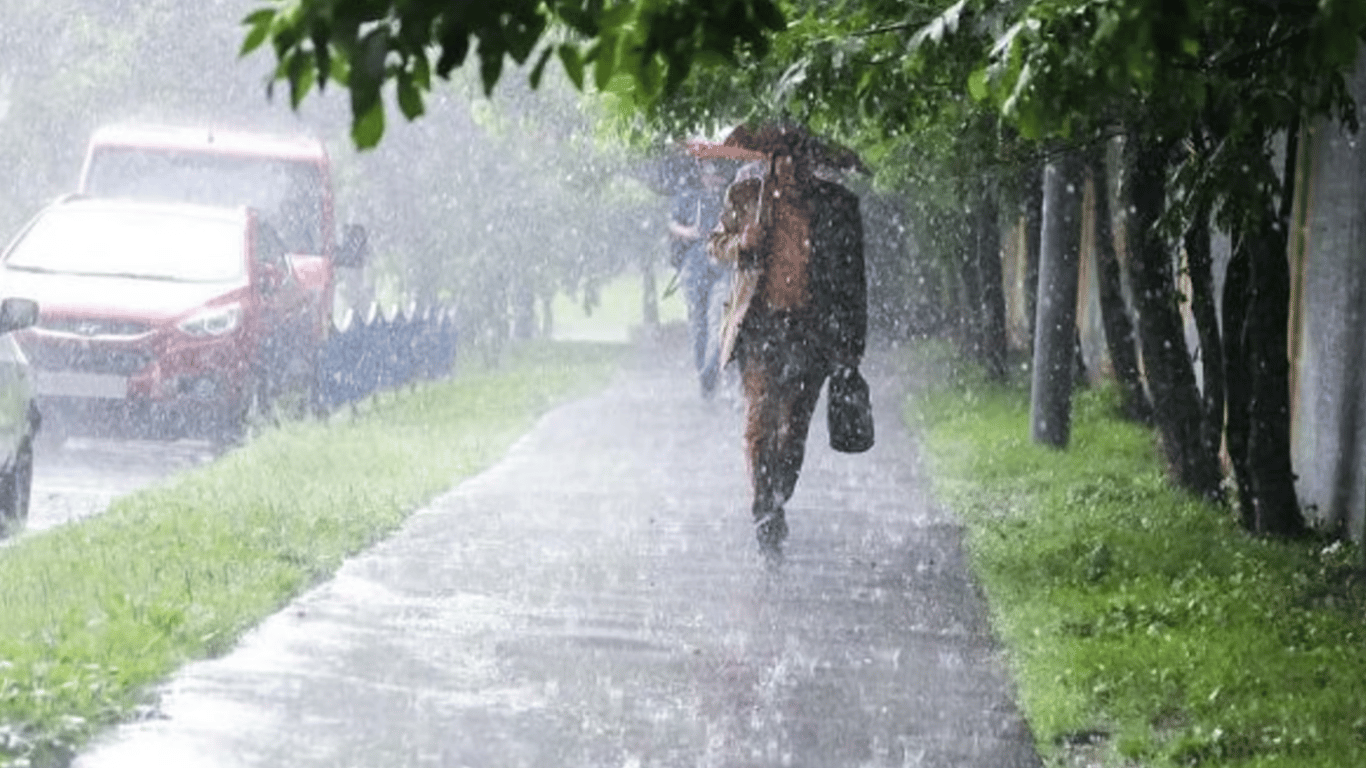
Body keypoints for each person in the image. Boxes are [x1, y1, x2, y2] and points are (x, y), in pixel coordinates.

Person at [707, 130, 867, 549]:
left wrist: (852, 347)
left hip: (812, 332)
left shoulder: (838, 206)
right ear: (770, 158)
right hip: (760, 327)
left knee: (793, 429)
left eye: (802, 156)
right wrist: (743, 242)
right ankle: (763, 509)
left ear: (815, 161)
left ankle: (779, 497)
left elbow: (854, 281)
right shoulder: (746, 195)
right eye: (784, 157)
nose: (793, 166)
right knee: (759, 423)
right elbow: (714, 245)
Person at [667, 159, 732, 398]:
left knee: (719, 321)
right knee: (698, 324)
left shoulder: (730, 200)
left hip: (721, 267)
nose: (715, 178)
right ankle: (704, 377)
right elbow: (672, 224)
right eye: (711, 172)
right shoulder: (687, 196)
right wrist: (689, 232)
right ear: (702, 174)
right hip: (694, 268)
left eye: (718, 173)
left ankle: (708, 373)